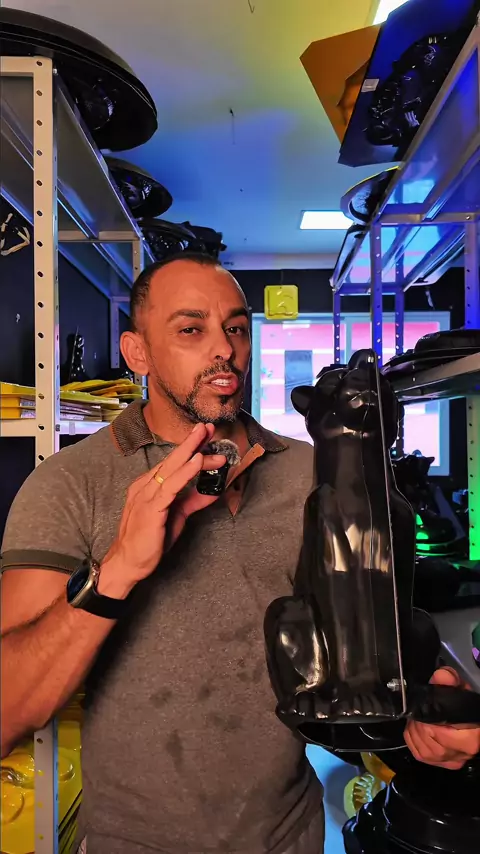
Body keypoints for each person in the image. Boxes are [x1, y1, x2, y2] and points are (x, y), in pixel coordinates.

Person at [1, 254, 479, 854]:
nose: (223, 349)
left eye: (235, 328)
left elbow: (354, 658)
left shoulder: (315, 473)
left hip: (292, 837)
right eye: (190, 328)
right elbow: (8, 709)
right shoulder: (71, 483)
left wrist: (419, 724)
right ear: (137, 352)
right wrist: (117, 570)